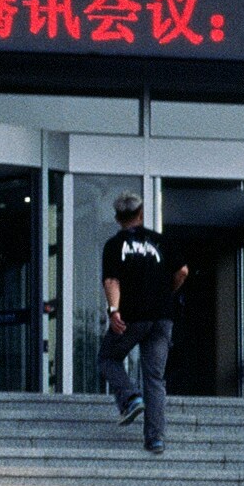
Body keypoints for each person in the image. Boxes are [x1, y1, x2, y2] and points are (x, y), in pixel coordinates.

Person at [99, 192, 187, 455]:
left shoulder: (114, 246)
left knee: (107, 358)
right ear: (141, 214)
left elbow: (111, 281)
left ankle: (129, 397)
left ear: (117, 218)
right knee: (155, 377)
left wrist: (114, 311)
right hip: (162, 317)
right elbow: (182, 271)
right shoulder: (160, 242)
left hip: (133, 316)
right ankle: (155, 439)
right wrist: (168, 292)